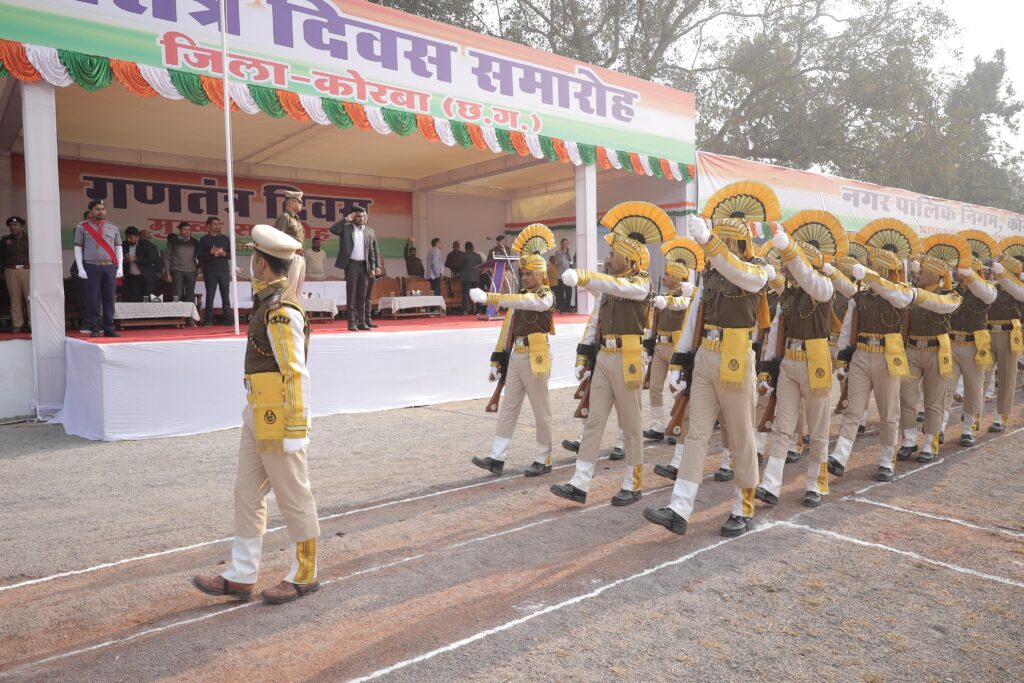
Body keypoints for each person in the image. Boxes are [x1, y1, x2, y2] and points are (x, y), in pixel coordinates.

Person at [192, 224, 320, 605]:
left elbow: (295, 371)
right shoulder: (270, 302)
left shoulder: (280, 309)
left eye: (253, 258)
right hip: (259, 410)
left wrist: (296, 426)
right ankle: (242, 573)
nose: (251, 263)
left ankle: (306, 571)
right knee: (246, 492)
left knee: (293, 493)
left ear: (262, 263)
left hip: (279, 416)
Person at [643, 215, 769, 537]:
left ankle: (744, 507)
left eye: (726, 239)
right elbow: (694, 316)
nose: (721, 244)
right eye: (718, 238)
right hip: (706, 355)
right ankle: (679, 508)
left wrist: (709, 243)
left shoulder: (758, 269)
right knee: (695, 433)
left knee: (740, 435)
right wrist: (680, 361)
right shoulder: (710, 271)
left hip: (735, 356)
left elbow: (738, 272)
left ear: (739, 242)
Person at [550, 201, 670, 507]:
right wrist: (583, 356)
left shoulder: (641, 283)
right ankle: (579, 482)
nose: (608, 258)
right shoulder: (609, 286)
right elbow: (595, 320)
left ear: (628, 259)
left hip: (629, 356)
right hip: (605, 355)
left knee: (631, 424)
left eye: (613, 254)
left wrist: (585, 276)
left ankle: (634, 482)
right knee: (594, 421)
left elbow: (619, 287)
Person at [828, 223, 920, 482]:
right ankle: (839, 457)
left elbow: (898, 298)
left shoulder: (900, 291)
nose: (876, 269)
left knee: (889, 414)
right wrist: (842, 358)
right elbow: (848, 328)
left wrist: (872, 278)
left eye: (880, 266)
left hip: (888, 357)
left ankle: (886, 461)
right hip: (862, 355)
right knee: (853, 409)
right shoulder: (861, 296)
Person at [753, 227, 836, 509]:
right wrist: (767, 369)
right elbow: (777, 331)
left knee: (818, 427)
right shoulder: (788, 294)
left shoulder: (822, 286)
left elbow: (808, 278)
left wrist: (792, 253)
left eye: (789, 262)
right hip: (790, 360)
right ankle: (770, 484)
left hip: (816, 360)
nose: (785, 266)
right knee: (782, 425)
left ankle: (815, 483)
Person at [469, 224, 557, 477]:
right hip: (517, 355)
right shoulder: (522, 296)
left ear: (540, 275)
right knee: (509, 407)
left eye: (529, 273)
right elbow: (507, 329)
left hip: (536, 354)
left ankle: (544, 457)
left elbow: (528, 302)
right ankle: (497, 457)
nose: (524, 277)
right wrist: (498, 360)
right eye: (523, 273)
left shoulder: (545, 296)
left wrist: (491, 298)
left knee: (541, 409)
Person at [896, 237, 966, 464]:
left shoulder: (950, 297)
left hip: (937, 350)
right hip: (912, 348)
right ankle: (908, 440)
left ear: (935, 275)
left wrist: (917, 294)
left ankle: (930, 443)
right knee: (906, 397)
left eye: (923, 271)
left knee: (934, 401)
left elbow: (937, 304)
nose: (918, 273)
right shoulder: (913, 291)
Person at [939, 231, 999, 447]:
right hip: (952, 344)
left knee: (974, 390)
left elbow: (987, 294)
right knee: (945, 389)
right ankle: (939, 427)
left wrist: (971, 275)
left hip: (975, 346)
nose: (959, 273)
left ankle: (968, 429)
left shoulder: (986, 290)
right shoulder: (952, 290)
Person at [642, 238, 700, 442]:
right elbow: (653, 323)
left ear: (676, 277)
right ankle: (658, 425)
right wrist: (648, 345)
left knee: (678, 388)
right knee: (655, 387)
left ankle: (678, 425)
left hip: (677, 347)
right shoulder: (663, 295)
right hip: (660, 345)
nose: (664, 277)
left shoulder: (687, 296)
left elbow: (679, 303)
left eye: (667, 274)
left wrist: (665, 301)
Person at [985, 240, 1024, 432]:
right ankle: (972, 415)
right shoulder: (990, 286)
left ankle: (1001, 416)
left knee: (1007, 378)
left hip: (1009, 334)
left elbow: (1018, 292)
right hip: (986, 333)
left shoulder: (1019, 287)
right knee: (981, 376)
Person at [74, 200, 123, 338]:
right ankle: (94, 327)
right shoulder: (82, 227)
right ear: (91, 211)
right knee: (92, 298)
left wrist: (120, 267)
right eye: (97, 209)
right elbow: (78, 248)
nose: (100, 211)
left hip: (109, 266)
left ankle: (109, 327)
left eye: (102, 209)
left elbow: (118, 247)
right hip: (91, 266)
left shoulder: (113, 227)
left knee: (109, 298)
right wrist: (80, 268)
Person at [330, 206, 381, 331]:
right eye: (358, 216)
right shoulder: (346, 228)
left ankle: (362, 322)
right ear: (353, 217)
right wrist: (346, 219)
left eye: (363, 216)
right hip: (352, 265)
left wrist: (375, 266)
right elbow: (333, 229)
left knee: (362, 295)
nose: (361, 218)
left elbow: (373, 250)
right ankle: (351, 322)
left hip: (365, 266)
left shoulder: (369, 231)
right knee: (352, 294)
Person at [198, 216, 232, 325]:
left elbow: (231, 255)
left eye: (219, 224)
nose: (217, 226)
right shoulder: (204, 239)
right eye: (215, 224)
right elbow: (200, 256)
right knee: (210, 295)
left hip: (224, 270)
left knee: (225, 295)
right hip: (210, 270)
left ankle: (227, 319)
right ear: (208, 226)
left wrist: (224, 253)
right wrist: (211, 253)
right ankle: (208, 319)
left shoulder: (225, 238)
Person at [164, 221, 200, 324]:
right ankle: (177, 319)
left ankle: (190, 320)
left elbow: (199, 256)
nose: (187, 231)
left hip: (191, 271)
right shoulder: (173, 241)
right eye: (185, 229)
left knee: (190, 295)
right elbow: (166, 257)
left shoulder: (194, 241)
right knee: (177, 295)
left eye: (189, 230)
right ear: (180, 230)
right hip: (177, 271)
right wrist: (167, 272)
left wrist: (199, 269)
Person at [275, 189, 307, 294]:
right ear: (292, 203)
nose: (302, 204)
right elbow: (278, 239)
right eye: (299, 202)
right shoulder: (285, 217)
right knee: (289, 289)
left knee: (297, 291)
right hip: (290, 256)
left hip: (300, 256)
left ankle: (295, 305)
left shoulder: (296, 219)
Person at [1, 216, 30, 332]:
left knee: (30, 298)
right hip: (11, 271)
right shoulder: (5, 240)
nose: (13, 227)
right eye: (11, 225)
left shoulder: (29, 239)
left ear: (22, 227)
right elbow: (1, 256)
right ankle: (17, 324)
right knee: (15, 299)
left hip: (27, 270)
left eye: (16, 225)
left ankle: (33, 323)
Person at [122, 226, 160, 303]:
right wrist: (124, 259)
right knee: (135, 300)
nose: (128, 240)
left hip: (145, 277)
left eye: (131, 238)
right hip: (131, 277)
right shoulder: (124, 245)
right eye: (127, 237)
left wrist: (136, 259)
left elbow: (151, 259)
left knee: (147, 299)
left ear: (137, 237)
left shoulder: (147, 245)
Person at [458, 241, 484, 314]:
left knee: (465, 294)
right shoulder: (477, 256)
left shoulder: (462, 255)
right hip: (475, 278)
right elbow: (481, 267)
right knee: (476, 294)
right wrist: (478, 273)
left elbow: (458, 265)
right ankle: (478, 310)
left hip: (465, 278)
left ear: (465, 248)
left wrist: (459, 272)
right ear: (473, 247)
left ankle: (464, 311)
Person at [551, 238, 575, 312]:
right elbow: (558, 261)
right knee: (561, 293)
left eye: (566, 243)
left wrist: (572, 265)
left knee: (569, 292)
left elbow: (571, 262)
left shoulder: (569, 253)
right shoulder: (557, 252)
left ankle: (568, 307)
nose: (565, 245)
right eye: (564, 243)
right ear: (561, 244)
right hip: (561, 276)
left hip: (569, 276)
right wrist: (563, 253)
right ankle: (562, 308)